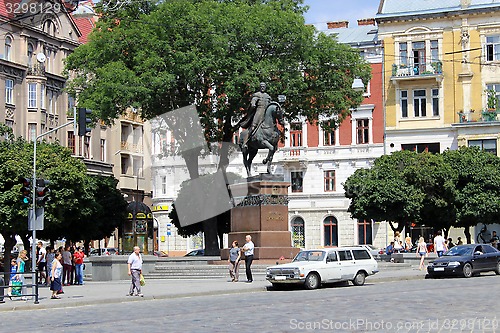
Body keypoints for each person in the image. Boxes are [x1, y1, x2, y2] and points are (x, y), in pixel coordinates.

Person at [240, 82, 272, 148]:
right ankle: (245, 142)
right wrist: (253, 104)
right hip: (259, 112)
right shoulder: (257, 95)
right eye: (261, 86)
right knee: (253, 127)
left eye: (264, 86)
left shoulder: (268, 96)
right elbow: (253, 101)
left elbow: (270, 104)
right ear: (259, 87)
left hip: (266, 114)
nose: (262, 87)